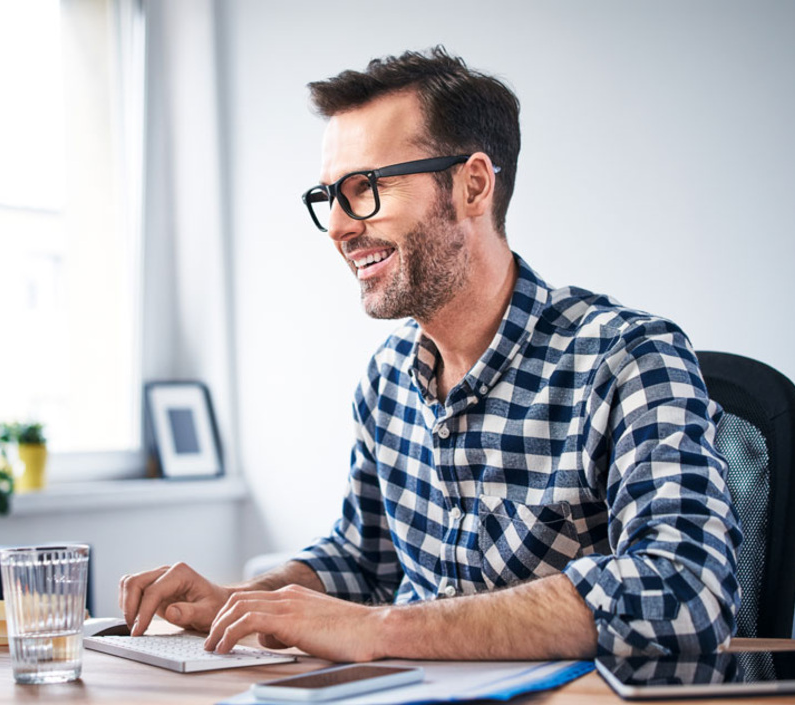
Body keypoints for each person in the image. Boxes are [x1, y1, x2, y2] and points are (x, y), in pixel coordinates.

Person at [120, 46, 741, 661]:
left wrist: (381, 630)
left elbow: (686, 589)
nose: (337, 226)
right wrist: (240, 598)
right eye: (329, 196)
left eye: (365, 189)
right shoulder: (387, 380)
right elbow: (363, 559)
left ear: (472, 185)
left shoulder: (626, 359)